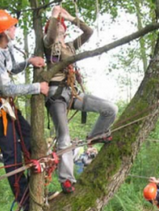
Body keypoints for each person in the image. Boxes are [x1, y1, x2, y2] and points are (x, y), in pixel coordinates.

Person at [0, 10, 49, 211]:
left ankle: (39, 189)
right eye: (12, 26)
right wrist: (37, 87)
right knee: (13, 156)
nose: (15, 28)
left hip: (5, 105)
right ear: (3, 32)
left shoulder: (5, 48)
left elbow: (12, 69)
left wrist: (28, 62)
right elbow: (6, 88)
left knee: (30, 140)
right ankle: (26, 202)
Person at [43, 6, 118, 193]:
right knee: (65, 138)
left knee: (110, 108)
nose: (61, 26)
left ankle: (96, 134)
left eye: (62, 25)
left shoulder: (70, 46)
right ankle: (66, 179)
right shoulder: (48, 43)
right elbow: (51, 36)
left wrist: (71, 18)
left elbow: (89, 32)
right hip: (56, 94)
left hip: (72, 93)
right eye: (58, 24)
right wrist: (54, 16)